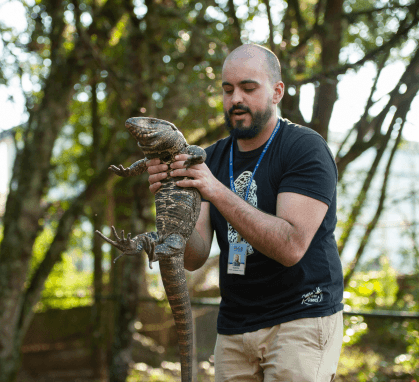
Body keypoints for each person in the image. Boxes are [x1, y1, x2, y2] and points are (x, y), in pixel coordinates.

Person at [147, 44, 344, 381]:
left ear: (277, 91)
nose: (235, 98)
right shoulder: (209, 159)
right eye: (228, 90)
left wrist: (216, 190)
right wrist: (167, 203)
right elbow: (194, 256)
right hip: (235, 325)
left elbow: (291, 246)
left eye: (248, 88)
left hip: (301, 316)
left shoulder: (304, 149)